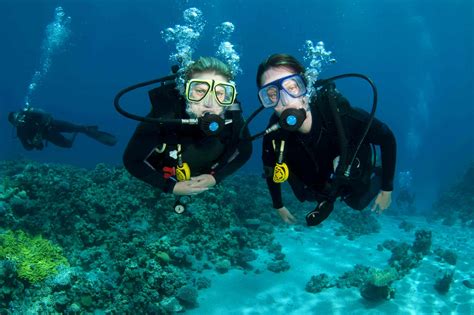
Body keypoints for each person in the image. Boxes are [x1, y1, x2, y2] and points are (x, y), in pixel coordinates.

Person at [256, 54, 396, 225]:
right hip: (320, 184)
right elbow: (271, 171)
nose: (285, 101)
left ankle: (375, 170)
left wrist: (386, 189)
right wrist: (278, 205)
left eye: (292, 87)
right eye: (271, 95)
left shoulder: (340, 114)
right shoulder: (274, 137)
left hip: (350, 173)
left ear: (305, 86)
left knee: (358, 202)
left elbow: (387, 138)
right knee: (305, 194)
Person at [123, 57, 252, 196]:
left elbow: (245, 152)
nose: (209, 103)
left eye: (220, 93)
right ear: (185, 91)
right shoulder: (164, 118)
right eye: (200, 91)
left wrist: (216, 178)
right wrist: (171, 187)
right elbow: (132, 161)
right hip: (166, 175)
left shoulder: (233, 120)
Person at [8, 107, 117, 150]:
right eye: (16, 120)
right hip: (49, 135)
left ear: (20, 113)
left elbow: (46, 115)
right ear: (14, 124)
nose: (20, 119)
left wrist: (39, 132)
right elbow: (27, 147)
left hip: (53, 124)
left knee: (79, 128)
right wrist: (35, 143)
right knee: (68, 145)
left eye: (19, 116)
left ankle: (83, 129)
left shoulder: (29, 114)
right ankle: (77, 130)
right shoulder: (20, 132)